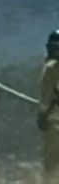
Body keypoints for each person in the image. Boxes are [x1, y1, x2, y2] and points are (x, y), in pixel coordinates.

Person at [38, 31, 59, 174]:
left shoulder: (51, 68)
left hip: (55, 120)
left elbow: (46, 95)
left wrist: (42, 114)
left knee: (51, 162)